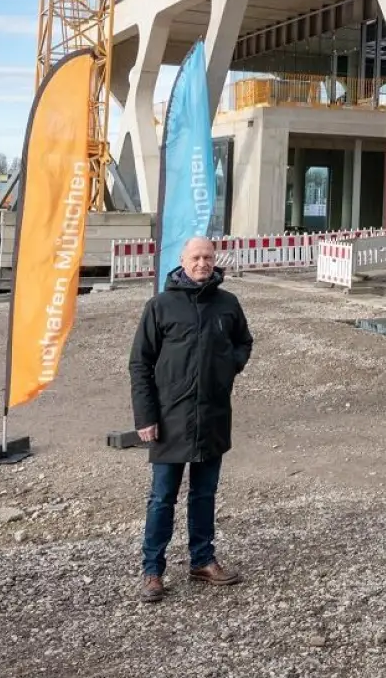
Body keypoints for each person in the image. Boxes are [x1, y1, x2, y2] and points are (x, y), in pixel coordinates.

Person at [129, 237, 254, 602]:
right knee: (162, 497)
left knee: (204, 493)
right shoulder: (160, 306)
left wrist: (230, 365)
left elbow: (244, 342)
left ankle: (202, 560)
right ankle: (153, 570)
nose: (202, 263)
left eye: (208, 257)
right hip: (170, 418)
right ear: (182, 261)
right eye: (195, 257)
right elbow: (140, 364)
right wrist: (145, 417)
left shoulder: (227, 304)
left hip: (212, 415)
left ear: (215, 261)